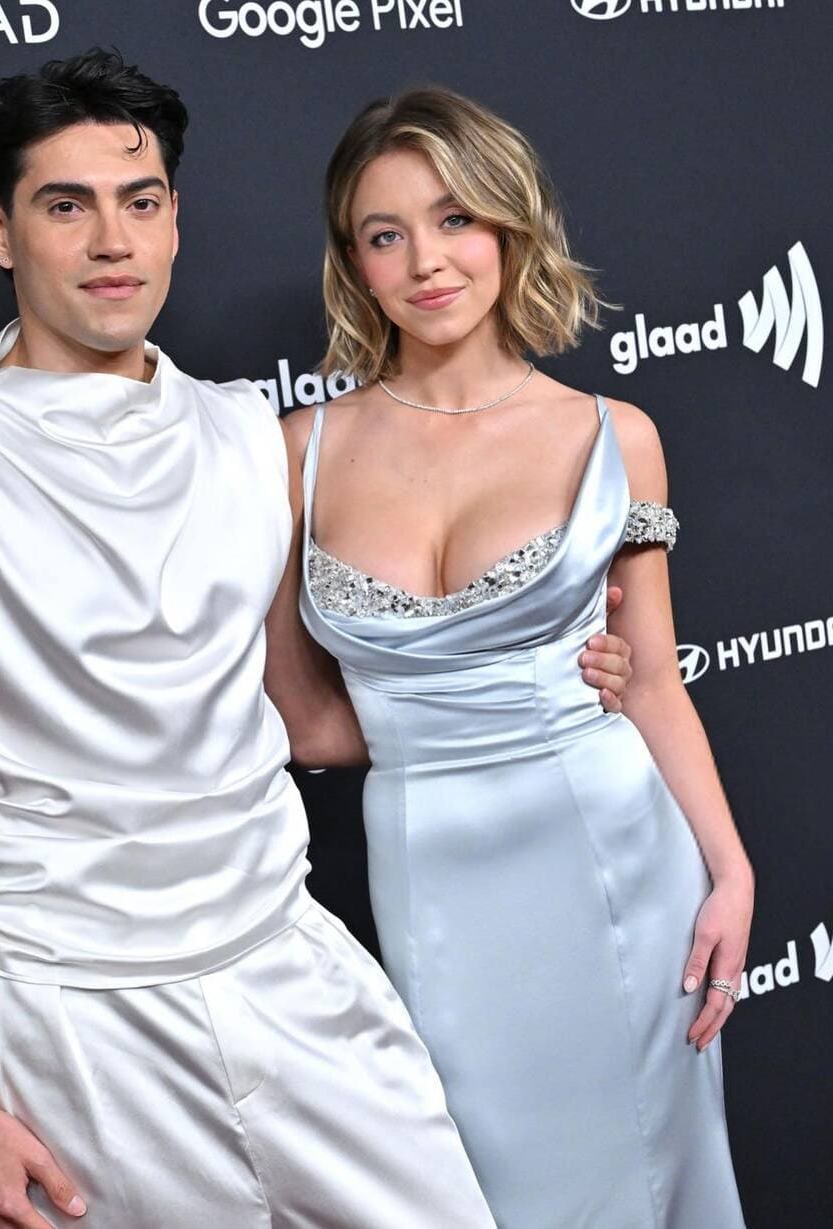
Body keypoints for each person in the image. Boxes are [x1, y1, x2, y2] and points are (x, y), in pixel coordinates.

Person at [0, 51, 630, 1228]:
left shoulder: (250, 434)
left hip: (286, 968)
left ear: (173, 219)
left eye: (138, 201)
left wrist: (539, 688)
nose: (111, 242)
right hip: (68, 1018)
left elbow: (314, 709)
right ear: (0, 230)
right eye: (66, 206)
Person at [266, 88, 752, 1229]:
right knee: (484, 1182)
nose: (426, 261)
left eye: (455, 219)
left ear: (509, 226)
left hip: (614, 854)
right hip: (428, 871)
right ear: (353, 262)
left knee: (644, 1176)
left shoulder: (612, 436)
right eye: (385, 234)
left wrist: (730, 871)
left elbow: (652, 680)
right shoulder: (297, 452)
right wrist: (441, 725)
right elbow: (301, 716)